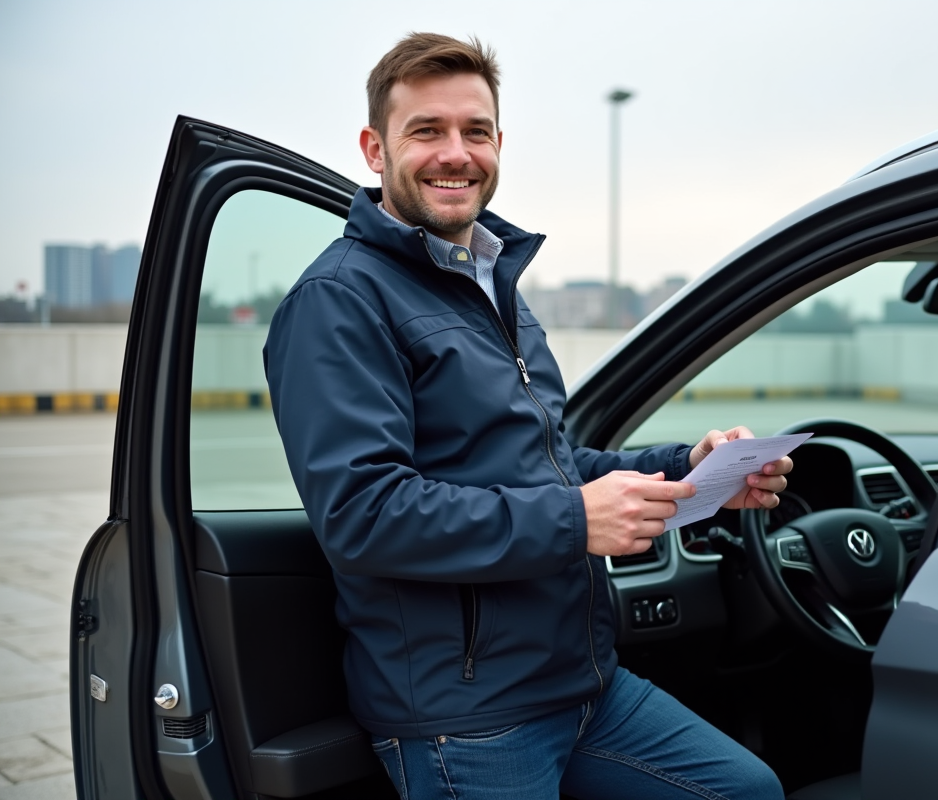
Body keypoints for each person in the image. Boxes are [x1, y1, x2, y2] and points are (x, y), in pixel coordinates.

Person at [264, 32, 791, 800]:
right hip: (466, 716)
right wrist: (574, 523)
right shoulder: (340, 301)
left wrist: (690, 469)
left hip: (585, 686)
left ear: (499, 143)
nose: (456, 153)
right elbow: (363, 513)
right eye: (427, 131)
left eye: (475, 131)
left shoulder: (491, 287)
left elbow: (552, 465)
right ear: (375, 150)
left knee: (747, 791)